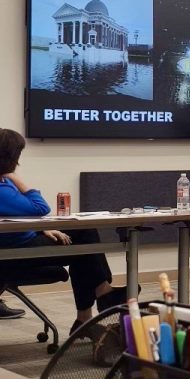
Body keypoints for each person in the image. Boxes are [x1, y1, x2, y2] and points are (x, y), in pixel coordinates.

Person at [0, 128, 133, 336]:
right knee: (84, 240)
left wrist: (41, 229)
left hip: (20, 241)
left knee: (82, 240)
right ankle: (100, 294)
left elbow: (16, 215)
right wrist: (15, 177)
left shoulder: (3, 183)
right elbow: (39, 207)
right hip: (13, 253)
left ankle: (86, 317)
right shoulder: (3, 187)